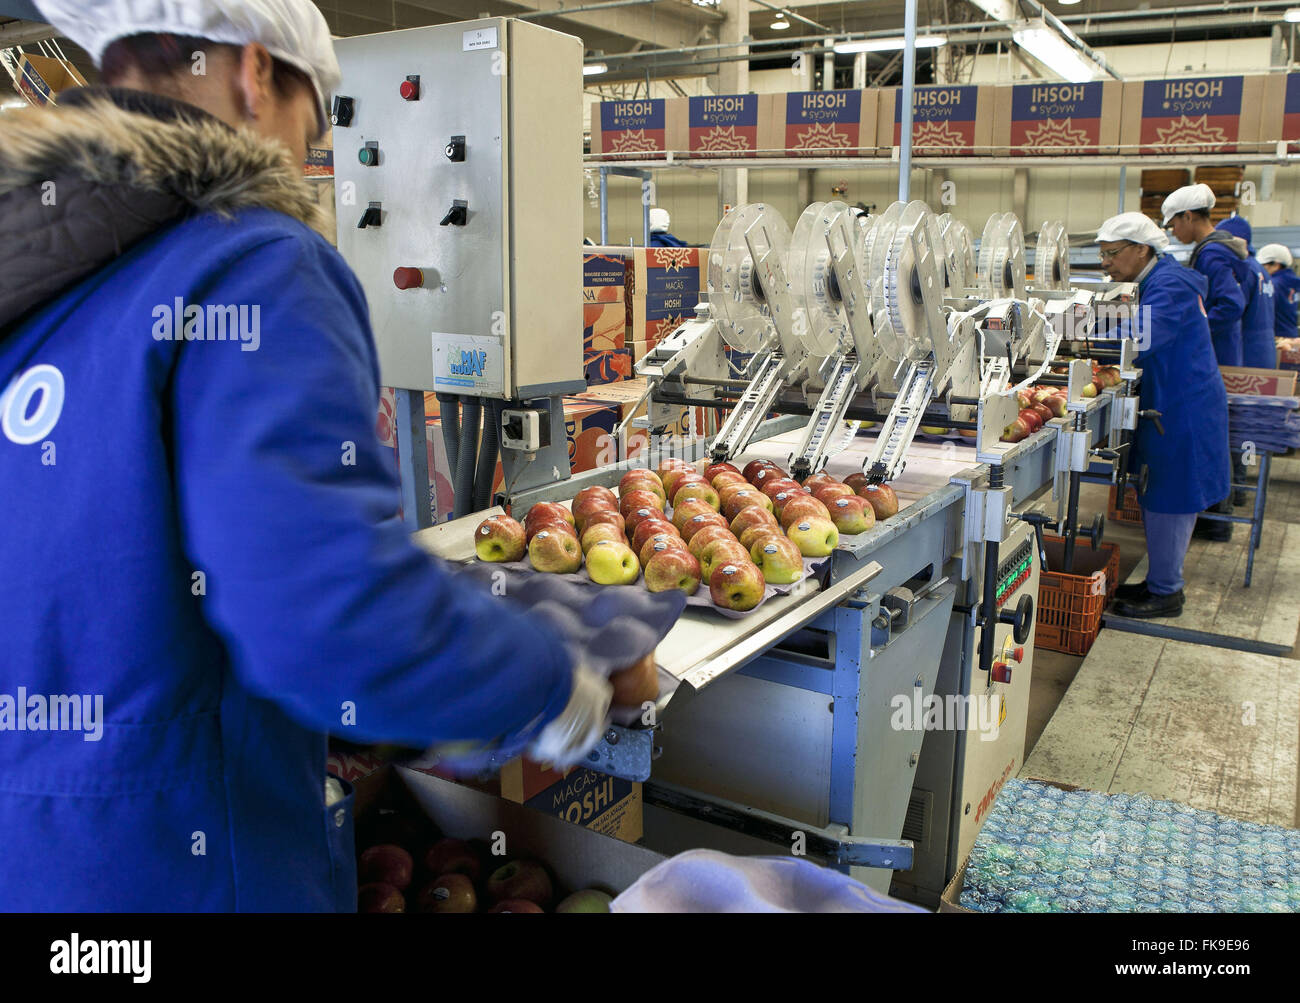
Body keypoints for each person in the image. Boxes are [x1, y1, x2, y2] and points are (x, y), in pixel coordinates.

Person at [1, 0, 645, 911]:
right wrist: (559, 683)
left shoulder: (39, 277)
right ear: (255, 73)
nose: (307, 159)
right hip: (192, 872)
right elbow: (326, 615)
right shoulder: (252, 263)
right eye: (313, 123)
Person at [1097, 212, 1230, 619]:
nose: (1106, 263)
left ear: (1142, 250)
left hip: (1181, 407)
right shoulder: (1157, 279)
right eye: (1102, 255)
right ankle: (1160, 582)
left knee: (1171, 495)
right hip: (1174, 400)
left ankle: (1167, 592)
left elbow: (1142, 335)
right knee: (1159, 494)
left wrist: (1067, 324)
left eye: (1113, 254)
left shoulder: (1169, 283)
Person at [1161, 183, 1244, 536]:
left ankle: (1215, 520)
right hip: (1221, 349)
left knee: (1210, 440)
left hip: (1215, 351)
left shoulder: (1211, 253)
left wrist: (1195, 329)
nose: (1173, 232)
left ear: (1189, 216)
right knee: (1215, 438)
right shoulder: (1219, 248)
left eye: (1174, 224)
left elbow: (1231, 304)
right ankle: (1216, 515)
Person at [1217, 215, 1277, 370]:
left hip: (1246, 353)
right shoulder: (1261, 270)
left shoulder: (1243, 270)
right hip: (1265, 350)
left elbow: (1233, 309)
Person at [1258, 243, 1300, 342]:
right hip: (1292, 336)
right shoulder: (1294, 282)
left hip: (1277, 337)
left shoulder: (1272, 284)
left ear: (1276, 265)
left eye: (1263, 265)